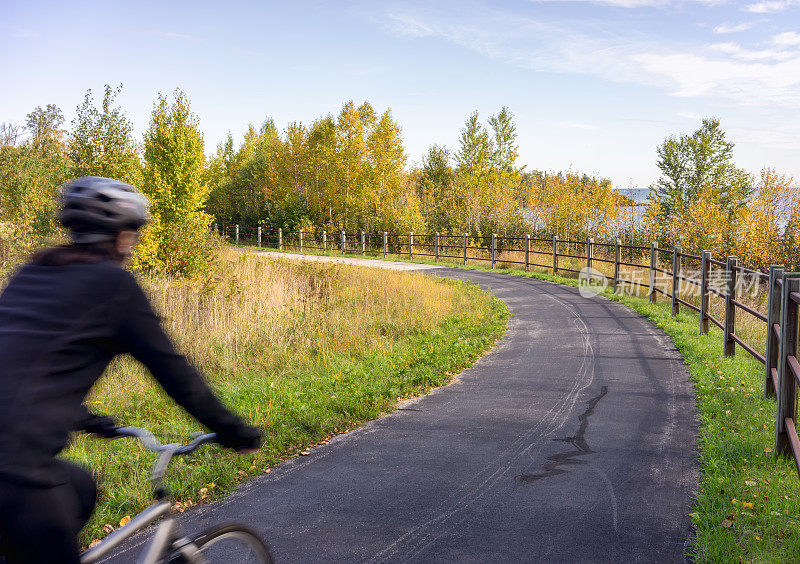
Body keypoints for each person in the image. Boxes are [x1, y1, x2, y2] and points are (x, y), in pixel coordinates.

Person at [0, 176, 262, 563]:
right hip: (14, 472)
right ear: (122, 235)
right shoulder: (114, 286)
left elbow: (21, 369)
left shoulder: (32, 274)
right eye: (133, 234)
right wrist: (234, 430)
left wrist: (87, 419)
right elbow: (176, 374)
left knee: (80, 487)